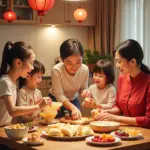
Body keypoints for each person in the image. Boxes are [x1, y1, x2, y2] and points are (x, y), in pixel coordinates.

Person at [96, 39, 150, 128]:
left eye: (119, 61)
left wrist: (115, 118)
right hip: (127, 131)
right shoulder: (122, 79)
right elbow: (119, 108)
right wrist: (106, 112)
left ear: (133, 62)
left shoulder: (148, 82)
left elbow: (148, 120)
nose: (116, 65)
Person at [0, 41, 51, 127]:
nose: (32, 67)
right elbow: (12, 111)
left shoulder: (13, 82)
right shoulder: (5, 81)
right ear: (18, 63)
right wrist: (37, 106)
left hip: (5, 128)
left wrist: (35, 104)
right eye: (31, 63)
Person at [49, 39, 89, 120]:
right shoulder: (57, 70)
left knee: (76, 126)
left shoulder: (84, 69)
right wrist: (73, 107)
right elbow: (59, 95)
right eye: (69, 63)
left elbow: (83, 88)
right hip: (56, 101)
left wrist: (84, 92)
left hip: (73, 100)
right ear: (61, 59)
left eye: (78, 62)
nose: (74, 67)